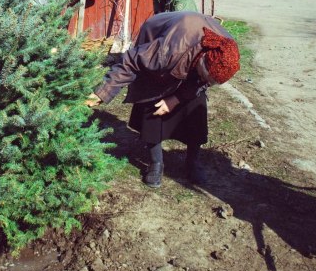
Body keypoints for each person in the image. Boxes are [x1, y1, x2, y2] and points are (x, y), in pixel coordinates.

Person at [85, 11, 240, 187]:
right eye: (207, 78)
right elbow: (131, 60)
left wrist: (176, 99)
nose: (207, 83)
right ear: (202, 61)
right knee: (152, 102)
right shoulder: (169, 51)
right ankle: (155, 163)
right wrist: (102, 92)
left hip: (192, 46)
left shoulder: (227, 50)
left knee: (197, 107)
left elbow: (202, 83)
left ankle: (192, 162)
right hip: (161, 37)